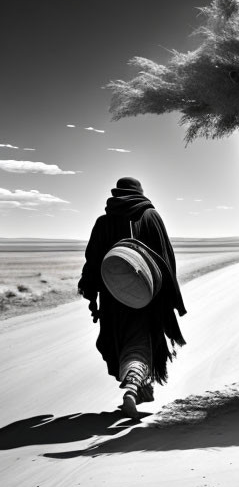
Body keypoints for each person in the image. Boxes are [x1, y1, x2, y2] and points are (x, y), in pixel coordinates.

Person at [78, 177, 186, 418]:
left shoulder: (104, 222)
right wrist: (168, 295)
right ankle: (132, 389)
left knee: (122, 341)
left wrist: (91, 292)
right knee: (140, 342)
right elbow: (166, 258)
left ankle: (139, 388)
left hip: (112, 298)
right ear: (139, 192)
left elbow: (93, 261)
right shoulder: (150, 216)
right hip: (147, 298)